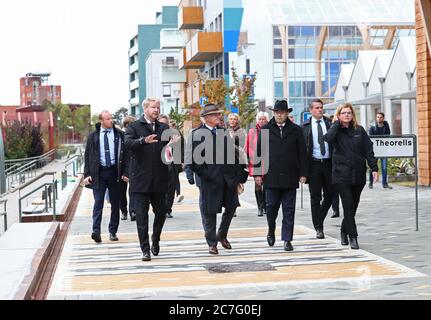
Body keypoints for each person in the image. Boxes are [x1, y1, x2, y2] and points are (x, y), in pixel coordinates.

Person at [187, 104, 248, 255]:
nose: (218, 117)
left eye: (218, 114)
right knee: (209, 211)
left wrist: (237, 175)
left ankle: (222, 234)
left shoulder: (223, 132)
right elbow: (192, 160)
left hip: (227, 177)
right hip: (208, 179)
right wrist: (206, 174)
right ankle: (212, 242)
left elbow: (231, 154)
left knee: (232, 206)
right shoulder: (196, 134)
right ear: (206, 118)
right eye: (215, 115)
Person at [124, 98, 179, 261]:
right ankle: (145, 249)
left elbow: (168, 152)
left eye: (158, 107)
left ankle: (156, 239)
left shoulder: (164, 127)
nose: (156, 110)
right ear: (145, 109)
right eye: (153, 107)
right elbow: (127, 143)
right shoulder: (134, 127)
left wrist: (172, 145)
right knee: (141, 216)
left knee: (161, 213)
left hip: (160, 179)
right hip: (140, 180)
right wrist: (143, 141)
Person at [254, 100, 308, 252]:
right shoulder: (265, 129)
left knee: (289, 209)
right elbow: (259, 153)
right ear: (274, 113)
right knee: (271, 208)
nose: (279, 114)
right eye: (277, 112)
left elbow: (302, 153)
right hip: (271, 176)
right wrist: (257, 174)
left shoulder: (296, 130)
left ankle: (287, 239)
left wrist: (303, 173)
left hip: (290, 176)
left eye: (282, 112)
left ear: (287, 113)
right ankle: (271, 229)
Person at [323, 103, 379, 250]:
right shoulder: (335, 130)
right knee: (347, 206)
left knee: (352, 207)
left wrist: (374, 168)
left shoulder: (359, 131)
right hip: (341, 176)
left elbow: (368, 150)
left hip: (358, 175)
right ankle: (353, 237)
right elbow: (327, 139)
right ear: (339, 115)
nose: (347, 115)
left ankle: (343, 230)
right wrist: (335, 124)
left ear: (352, 115)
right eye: (343, 113)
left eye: (349, 113)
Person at [83, 110, 129, 243]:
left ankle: (113, 231)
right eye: (108, 119)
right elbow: (87, 156)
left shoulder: (120, 135)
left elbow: (125, 155)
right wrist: (87, 175)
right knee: (98, 203)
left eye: (111, 118)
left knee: (115, 203)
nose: (111, 120)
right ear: (101, 121)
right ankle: (96, 231)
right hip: (99, 173)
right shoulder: (93, 136)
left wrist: (125, 172)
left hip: (115, 173)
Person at [301, 99, 333, 239]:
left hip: (328, 164)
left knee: (331, 195)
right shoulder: (305, 127)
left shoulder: (329, 124)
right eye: (317, 108)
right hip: (313, 165)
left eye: (321, 108)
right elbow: (301, 151)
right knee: (315, 197)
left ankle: (319, 217)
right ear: (311, 110)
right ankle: (318, 227)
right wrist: (302, 172)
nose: (320, 110)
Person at [244, 111, 269, 216]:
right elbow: (247, 146)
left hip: (268, 161)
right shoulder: (252, 132)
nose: (262, 121)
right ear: (257, 120)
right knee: (258, 184)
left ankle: (266, 206)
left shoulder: (271, 130)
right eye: (260, 119)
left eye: (264, 119)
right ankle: (260, 207)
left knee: (267, 185)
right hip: (255, 161)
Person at [227, 113, 247, 217]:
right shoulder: (224, 130)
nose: (232, 121)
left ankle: (233, 207)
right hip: (227, 161)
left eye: (234, 119)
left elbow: (242, 145)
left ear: (237, 120)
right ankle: (229, 206)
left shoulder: (242, 131)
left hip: (238, 160)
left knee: (236, 184)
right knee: (228, 185)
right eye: (231, 119)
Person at [369, 112, 392, 189]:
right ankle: (371, 183)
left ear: (383, 118)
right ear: (376, 118)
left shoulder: (386, 126)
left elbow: (388, 135)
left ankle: (384, 183)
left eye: (380, 117)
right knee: (373, 166)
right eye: (378, 117)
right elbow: (371, 138)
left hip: (384, 150)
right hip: (375, 150)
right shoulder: (372, 127)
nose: (379, 118)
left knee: (384, 167)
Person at [120, 115, 136, 221]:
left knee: (133, 191)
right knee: (122, 192)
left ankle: (132, 211)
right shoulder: (121, 137)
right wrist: (124, 173)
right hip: (122, 169)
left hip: (134, 167)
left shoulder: (136, 136)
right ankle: (124, 211)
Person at [169, 119, 185, 204]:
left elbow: (183, 147)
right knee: (172, 178)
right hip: (167, 159)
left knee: (175, 177)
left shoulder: (179, 135)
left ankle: (178, 194)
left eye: (173, 126)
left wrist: (182, 160)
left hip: (176, 159)